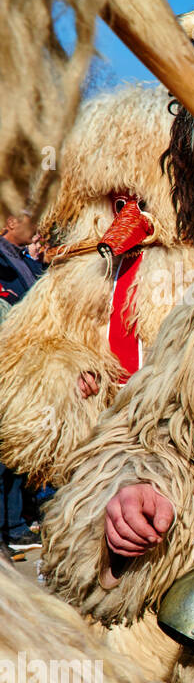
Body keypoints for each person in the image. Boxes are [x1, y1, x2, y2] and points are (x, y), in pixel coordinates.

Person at [0, 209, 46, 555]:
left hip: (20, 367)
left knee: (13, 456)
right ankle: (12, 528)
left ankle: (15, 526)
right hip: (8, 363)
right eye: (26, 218)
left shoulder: (18, 260)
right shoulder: (6, 259)